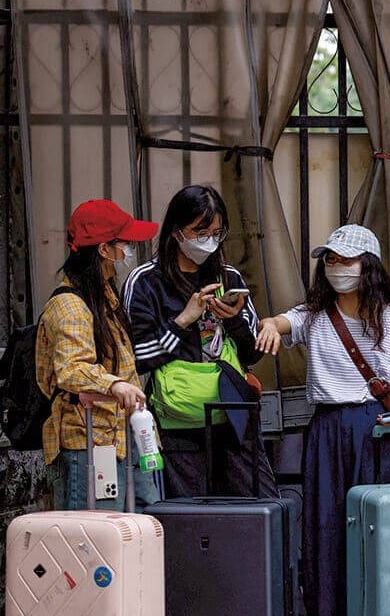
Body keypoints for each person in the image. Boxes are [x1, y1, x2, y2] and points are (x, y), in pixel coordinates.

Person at [256, 224, 390, 616]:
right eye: (329, 260)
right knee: (325, 529)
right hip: (327, 428)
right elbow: (280, 323)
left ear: (367, 265)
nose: (335, 268)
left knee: (376, 531)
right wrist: (269, 325)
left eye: (344, 260)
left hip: (374, 428)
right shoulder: (314, 315)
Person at [123, 185, 274, 499]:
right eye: (200, 232)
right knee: (191, 515)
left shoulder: (229, 278)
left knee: (257, 506)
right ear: (176, 231)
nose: (209, 241)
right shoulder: (146, 281)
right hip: (177, 424)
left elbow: (251, 353)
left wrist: (233, 319)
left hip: (233, 416)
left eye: (217, 233)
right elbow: (135, 357)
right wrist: (182, 322)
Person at [36, 199, 162, 511]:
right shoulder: (70, 306)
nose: (129, 251)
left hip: (122, 436)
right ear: (104, 250)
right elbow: (72, 369)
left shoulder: (104, 297)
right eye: (125, 243)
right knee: (97, 531)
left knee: (144, 522)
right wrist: (114, 385)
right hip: (89, 443)